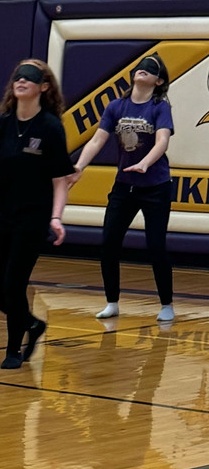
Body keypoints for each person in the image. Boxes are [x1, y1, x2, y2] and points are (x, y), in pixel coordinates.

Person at [0, 59, 74, 369]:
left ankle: (12, 350)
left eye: (30, 78)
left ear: (43, 87)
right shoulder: (2, 125)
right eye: (17, 77)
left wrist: (56, 217)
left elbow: (60, 180)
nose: (21, 81)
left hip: (33, 217)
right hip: (3, 215)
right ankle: (33, 325)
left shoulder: (50, 127)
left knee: (13, 284)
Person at [67, 53, 174, 322]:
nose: (142, 71)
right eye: (140, 68)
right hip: (124, 186)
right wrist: (79, 167)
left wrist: (145, 163)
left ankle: (166, 305)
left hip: (156, 186)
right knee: (109, 243)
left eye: (149, 70)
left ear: (158, 80)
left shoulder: (160, 107)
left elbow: (162, 141)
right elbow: (96, 141)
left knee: (156, 245)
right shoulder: (116, 106)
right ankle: (112, 302)